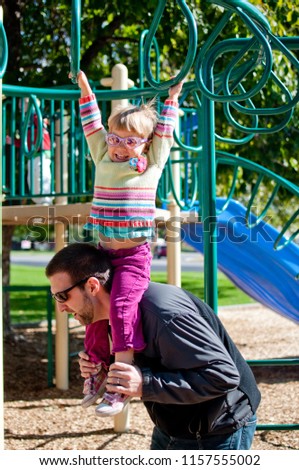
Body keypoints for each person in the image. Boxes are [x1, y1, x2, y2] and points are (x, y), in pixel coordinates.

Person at [46, 242, 261, 450]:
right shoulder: (109, 319)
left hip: (218, 430)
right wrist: (106, 370)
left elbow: (223, 376)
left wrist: (143, 384)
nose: (60, 307)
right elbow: (154, 359)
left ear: (92, 286)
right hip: (173, 427)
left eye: (62, 296)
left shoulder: (164, 315)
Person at [70, 70, 183, 416]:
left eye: (128, 140)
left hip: (134, 257)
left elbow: (165, 130)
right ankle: (96, 371)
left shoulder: (152, 163)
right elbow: (92, 126)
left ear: (145, 144)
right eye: (115, 137)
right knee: (93, 311)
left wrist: (173, 99)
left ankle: (120, 385)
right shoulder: (103, 154)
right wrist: (86, 90)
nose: (119, 145)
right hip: (103, 255)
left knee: (120, 309)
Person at [6, 97, 53, 205]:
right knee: (31, 177)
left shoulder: (36, 117)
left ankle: (46, 199)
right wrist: (13, 141)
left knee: (41, 174)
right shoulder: (25, 121)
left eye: (23, 103)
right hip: (32, 152)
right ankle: (37, 200)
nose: (20, 106)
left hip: (41, 150)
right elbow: (24, 141)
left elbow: (42, 129)